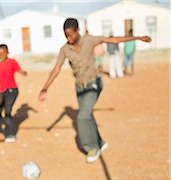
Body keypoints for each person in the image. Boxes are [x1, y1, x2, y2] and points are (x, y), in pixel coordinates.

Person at [38, 18, 151, 163]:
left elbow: (113, 40)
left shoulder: (89, 40)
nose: (69, 38)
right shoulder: (65, 50)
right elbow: (56, 68)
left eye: (71, 34)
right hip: (80, 88)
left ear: (78, 30)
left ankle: (92, 147)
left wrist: (138, 38)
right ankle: (101, 142)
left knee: (82, 117)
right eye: (66, 35)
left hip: (94, 84)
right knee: (88, 115)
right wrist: (45, 88)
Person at [0, 44, 27, 143]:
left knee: (7, 112)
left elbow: (20, 70)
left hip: (12, 91)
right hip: (2, 91)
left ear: (7, 52)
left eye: (3, 53)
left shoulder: (12, 62)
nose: (1, 56)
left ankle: (11, 133)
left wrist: (24, 73)